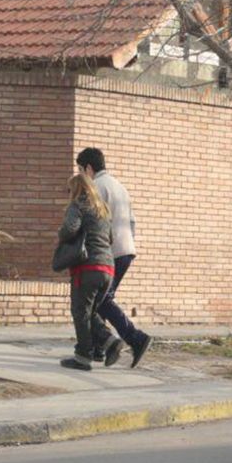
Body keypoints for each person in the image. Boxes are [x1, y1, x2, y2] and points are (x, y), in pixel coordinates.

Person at [76, 147, 152, 368]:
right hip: (126, 248)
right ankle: (101, 348)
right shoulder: (120, 186)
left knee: (100, 301)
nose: (81, 174)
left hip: (109, 252)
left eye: (81, 170)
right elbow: (132, 222)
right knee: (101, 301)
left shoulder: (96, 187)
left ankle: (135, 339)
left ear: (88, 168)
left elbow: (93, 222)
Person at [57, 173, 125, 371]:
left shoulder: (78, 205)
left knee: (80, 311)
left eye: (69, 189)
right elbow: (110, 238)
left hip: (87, 267)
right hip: (108, 268)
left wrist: (60, 233)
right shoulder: (103, 209)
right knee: (90, 311)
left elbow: (70, 229)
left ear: (77, 189)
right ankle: (110, 342)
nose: (68, 194)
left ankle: (83, 357)